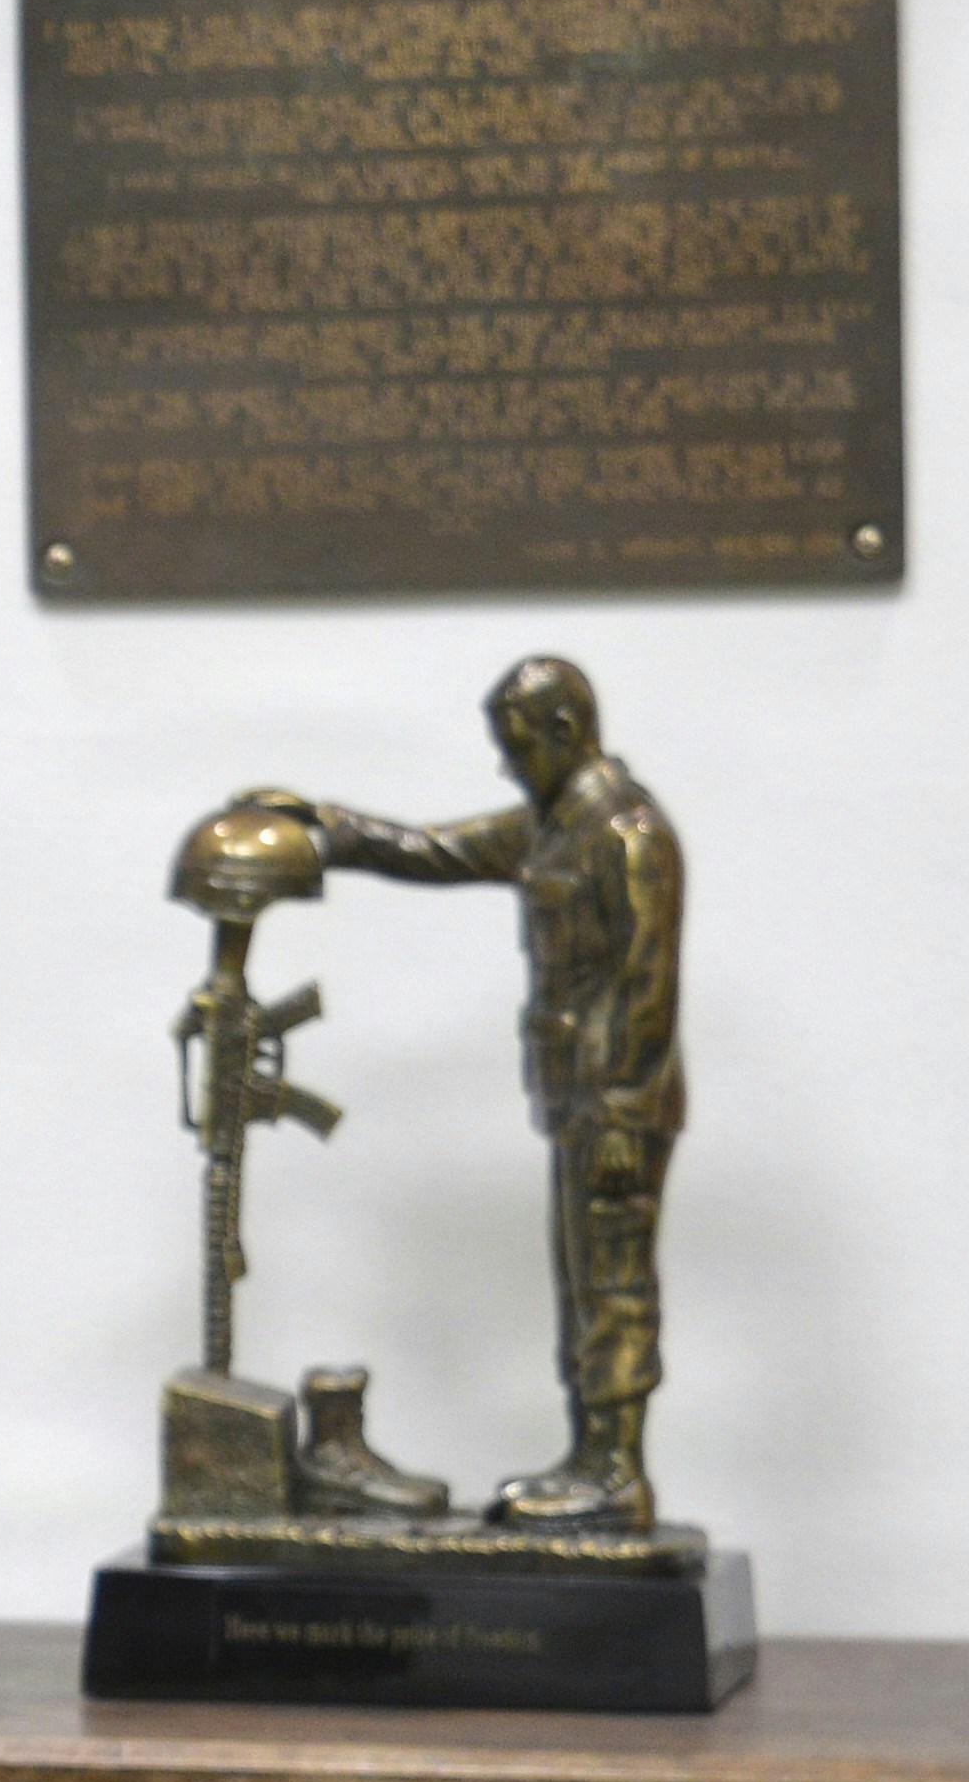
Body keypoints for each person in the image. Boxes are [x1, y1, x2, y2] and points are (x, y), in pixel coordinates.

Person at [261, 653, 685, 1527]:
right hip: (577, 1101)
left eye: (518, 745)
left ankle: (616, 1473)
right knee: (581, 1276)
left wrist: (620, 1111)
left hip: (615, 1111)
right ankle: (593, 1456)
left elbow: (646, 987)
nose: (508, 765)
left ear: (566, 733)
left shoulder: (628, 835)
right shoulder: (553, 825)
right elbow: (434, 850)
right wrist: (329, 826)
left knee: (612, 1280)